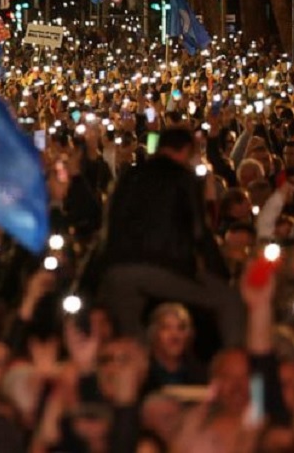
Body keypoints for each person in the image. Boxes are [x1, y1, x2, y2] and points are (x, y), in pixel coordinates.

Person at [97, 127, 245, 346]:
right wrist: (222, 273)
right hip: (161, 269)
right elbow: (199, 232)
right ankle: (233, 363)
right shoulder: (184, 179)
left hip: (115, 268)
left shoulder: (128, 177)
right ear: (186, 150)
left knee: (130, 338)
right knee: (229, 301)